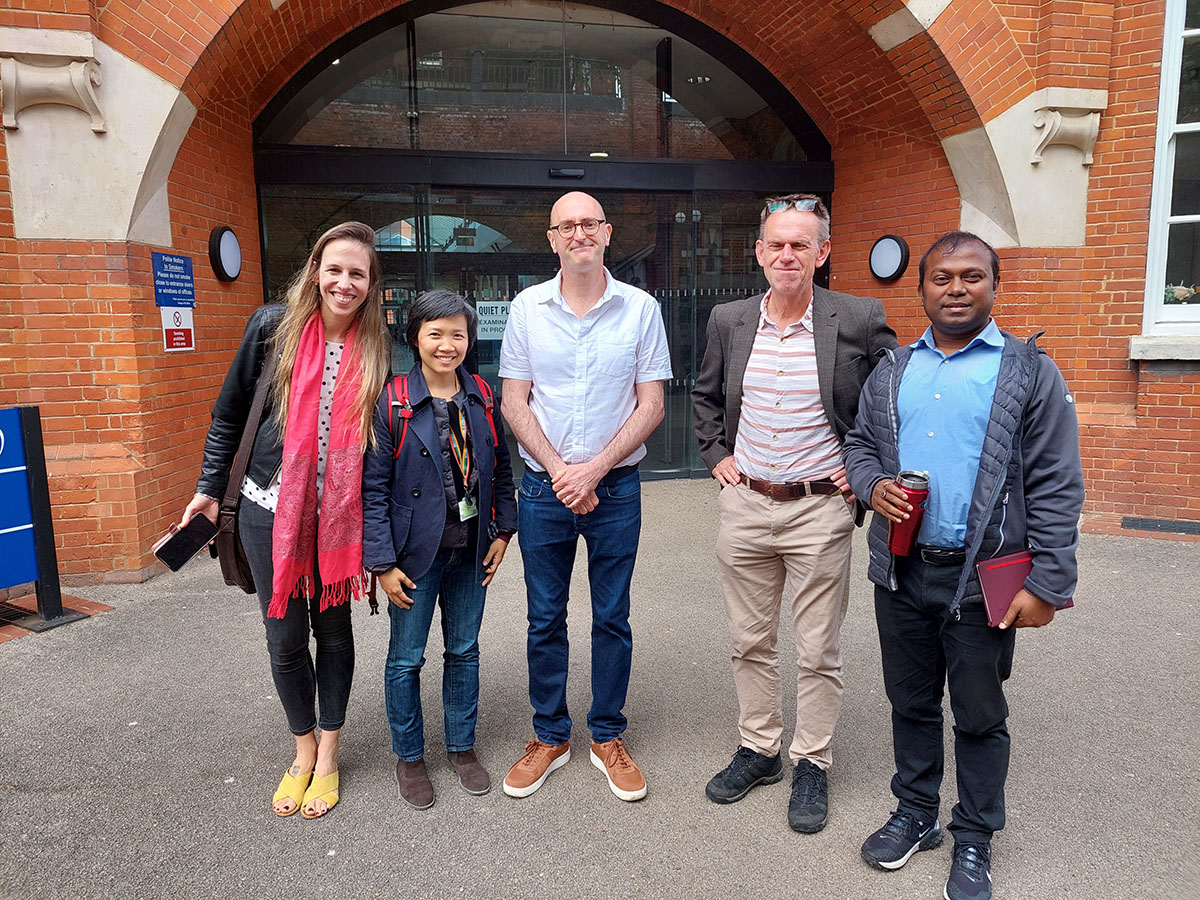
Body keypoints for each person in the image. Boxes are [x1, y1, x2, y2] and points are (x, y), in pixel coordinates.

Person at [843, 232, 1084, 900]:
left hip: (984, 579)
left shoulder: (1028, 370)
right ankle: (917, 814)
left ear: (994, 285)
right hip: (901, 569)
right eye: (942, 277)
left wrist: (1048, 585)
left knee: (978, 713)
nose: (956, 288)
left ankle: (974, 837)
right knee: (911, 702)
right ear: (921, 289)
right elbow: (860, 443)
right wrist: (870, 485)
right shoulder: (892, 368)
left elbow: (1058, 483)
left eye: (971, 276)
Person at [691, 193, 896, 833]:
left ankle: (812, 762)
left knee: (817, 648)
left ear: (822, 253)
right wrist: (716, 458)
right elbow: (704, 395)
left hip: (820, 509)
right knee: (750, 640)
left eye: (800, 245)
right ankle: (760, 749)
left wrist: (862, 472)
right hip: (746, 503)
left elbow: (894, 400)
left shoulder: (859, 318)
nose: (787, 255)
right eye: (776, 244)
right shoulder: (729, 319)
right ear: (759, 251)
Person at [181, 221, 391, 818]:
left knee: (334, 633)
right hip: (267, 510)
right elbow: (228, 416)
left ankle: (330, 752)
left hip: (337, 522)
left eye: (358, 274)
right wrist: (205, 490)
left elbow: (382, 441)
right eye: (335, 269)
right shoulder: (272, 328)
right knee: (284, 638)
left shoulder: (376, 346)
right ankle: (301, 750)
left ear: (371, 285)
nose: (344, 283)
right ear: (315, 272)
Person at [497, 190, 672, 802]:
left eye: (588, 224)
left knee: (611, 616)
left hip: (616, 487)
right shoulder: (526, 308)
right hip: (543, 489)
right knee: (544, 616)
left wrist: (593, 470)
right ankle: (549, 734)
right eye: (565, 226)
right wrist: (559, 470)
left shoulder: (641, 309)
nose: (578, 234)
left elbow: (652, 402)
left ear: (606, 233)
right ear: (551, 238)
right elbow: (513, 399)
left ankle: (606, 734)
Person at [361, 290, 517, 810]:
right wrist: (381, 563)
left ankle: (461, 747)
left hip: (470, 550)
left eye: (458, 334)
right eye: (436, 333)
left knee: (464, 651)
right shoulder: (392, 401)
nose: (447, 344)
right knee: (406, 659)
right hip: (413, 556)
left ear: (470, 340)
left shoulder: (482, 394)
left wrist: (502, 531)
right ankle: (409, 756)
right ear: (414, 338)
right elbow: (373, 488)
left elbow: (501, 472)